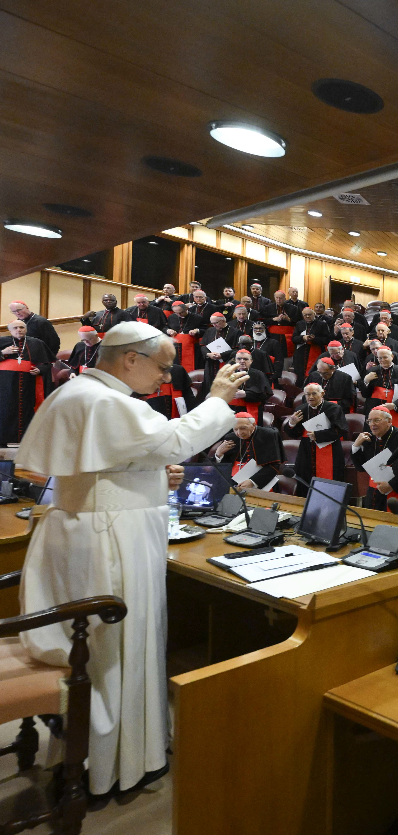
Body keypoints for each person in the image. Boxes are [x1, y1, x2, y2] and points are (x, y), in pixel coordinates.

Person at [15, 321, 247, 796]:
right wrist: (218, 400)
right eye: (162, 366)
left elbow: (111, 466)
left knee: (114, 651)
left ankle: (106, 757)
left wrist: (154, 477)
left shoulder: (77, 391)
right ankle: (114, 766)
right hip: (111, 541)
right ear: (130, 359)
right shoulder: (105, 400)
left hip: (91, 529)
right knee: (118, 649)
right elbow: (172, 442)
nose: (166, 377)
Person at [284, 382, 349, 485]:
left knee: (330, 481)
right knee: (305, 481)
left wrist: (318, 435)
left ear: (322, 394)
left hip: (330, 449)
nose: (310, 397)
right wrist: (292, 423)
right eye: (307, 394)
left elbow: (341, 430)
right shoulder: (301, 409)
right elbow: (294, 434)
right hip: (306, 451)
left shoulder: (334, 408)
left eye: (314, 393)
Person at [0, 319, 53, 443]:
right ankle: (3, 440)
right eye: (15, 328)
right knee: (5, 410)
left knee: (27, 410)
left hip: (29, 385)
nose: (19, 330)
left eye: (21, 327)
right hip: (5, 385)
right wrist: (3, 352)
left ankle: (26, 440)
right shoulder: (2, 342)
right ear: (10, 330)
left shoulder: (37, 343)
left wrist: (40, 369)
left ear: (26, 329)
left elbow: (47, 364)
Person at [351, 407, 398, 510]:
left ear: (389, 421)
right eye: (369, 421)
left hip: (395, 490)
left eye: (377, 420)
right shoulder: (369, 438)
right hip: (373, 490)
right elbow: (361, 468)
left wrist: (391, 485)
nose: (372, 424)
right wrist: (356, 446)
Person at [210, 413, 283, 490]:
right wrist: (218, 454)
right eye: (235, 429)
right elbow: (222, 466)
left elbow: (274, 466)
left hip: (262, 482)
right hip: (233, 483)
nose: (239, 433)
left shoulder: (267, 435)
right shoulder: (231, 438)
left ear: (253, 425)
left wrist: (253, 481)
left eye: (243, 428)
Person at [360, 346, 398, 427]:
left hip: (395, 409)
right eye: (380, 358)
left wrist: (395, 405)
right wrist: (366, 381)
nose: (382, 360)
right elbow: (365, 394)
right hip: (374, 407)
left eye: (385, 357)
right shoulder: (372, 371)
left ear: (392, 357)